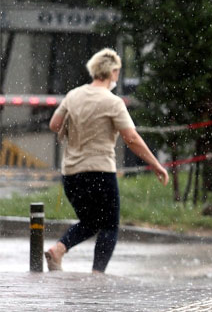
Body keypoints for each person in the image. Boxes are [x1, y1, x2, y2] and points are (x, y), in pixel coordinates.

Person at [44, 48, 169, 273]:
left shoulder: (74, 95)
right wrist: (156, 164)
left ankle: (59, 249)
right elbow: (131, 137)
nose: (117, 76)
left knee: (91, 222)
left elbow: (55, 124)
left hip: (72, 173)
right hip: (100, 171)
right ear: (112, 71)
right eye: (118, 72)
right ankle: (97, 274)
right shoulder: (113, 102)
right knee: (110, 225)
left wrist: (76, 133)